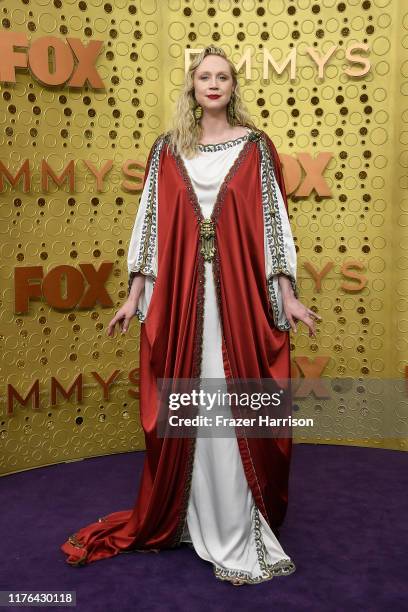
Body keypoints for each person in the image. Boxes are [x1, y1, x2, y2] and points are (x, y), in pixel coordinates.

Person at [60, 45, 321, 585]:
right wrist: (133, 296)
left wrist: (287, 294)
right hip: (182, 301)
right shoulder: (167, 150)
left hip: (240, 304)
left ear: (233, 87)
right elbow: (149, 229)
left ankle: (235, 525)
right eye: (205, 76)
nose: (214, 84)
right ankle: (187, 515)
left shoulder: (254, 147)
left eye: (223, 76)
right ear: (192, 85)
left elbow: (275, 228)